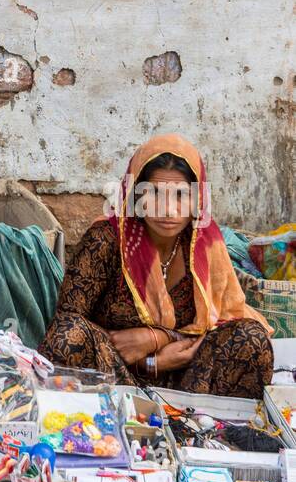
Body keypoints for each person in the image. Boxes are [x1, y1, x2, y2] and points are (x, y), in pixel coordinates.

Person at [39, 134, 273, 398]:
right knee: (67, 336)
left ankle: (208, 428)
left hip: (192, 379)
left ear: (198, 200)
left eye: (181, 196)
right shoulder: (107, 240)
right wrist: (147, 362)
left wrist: (160, 338)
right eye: (155, 194)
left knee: (251, 338)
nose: (168, 210)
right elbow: (67, 319)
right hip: (114, 377)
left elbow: (222, 320)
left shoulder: (204, 244)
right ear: (135, 195)